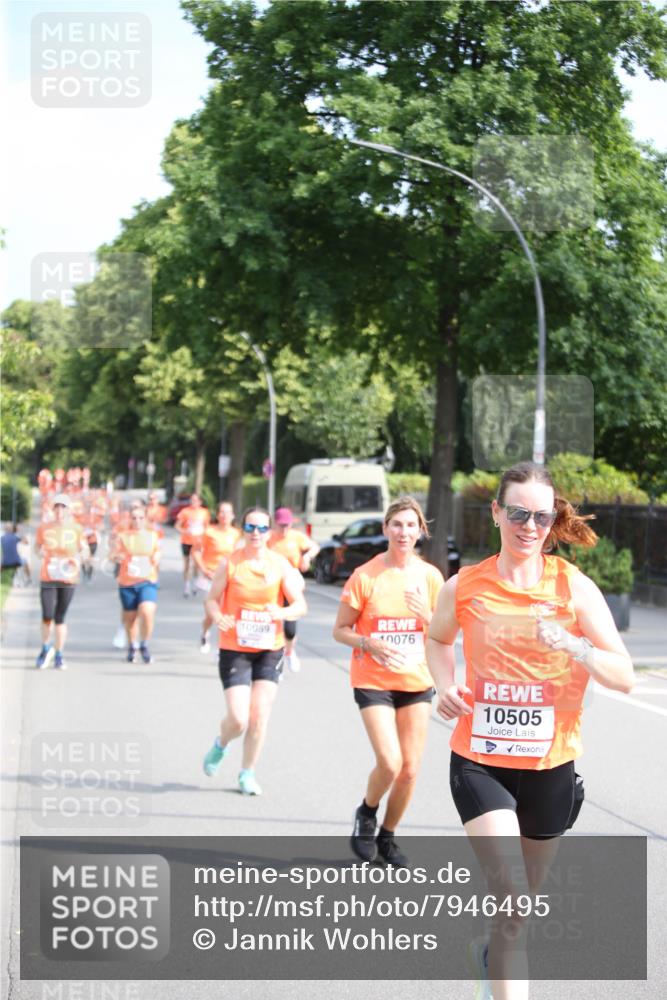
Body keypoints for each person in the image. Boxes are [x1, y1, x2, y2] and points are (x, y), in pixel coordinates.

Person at [426, 461, 635, 1000]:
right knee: (513, 897)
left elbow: (625, 676)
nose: (529, 525)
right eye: (518, 512)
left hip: (551, 766)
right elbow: (437, 640)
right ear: (496, 512)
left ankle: (488, 953)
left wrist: (575, 647)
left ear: (551, 521)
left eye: (541, 516)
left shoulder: (573, 587)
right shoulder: (465, 586)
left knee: (518, 918)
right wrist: (444, 686)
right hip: (480, 761)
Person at [332, 497, 445, 867]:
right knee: (390, 761)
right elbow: (340, 631)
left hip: (415, 680)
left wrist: (426, 614)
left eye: (411, 525)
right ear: (385, 529)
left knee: (410, 769)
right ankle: (367, 812)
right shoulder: (365, 576)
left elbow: (445, 634)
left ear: (420, 532)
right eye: (396, 524)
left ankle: (388, 836)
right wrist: (367, 641)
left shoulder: (430, 578)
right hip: (373, 678)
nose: (403, 532)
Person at [202, 507, 307, 796]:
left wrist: (281, 611)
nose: (256, 534)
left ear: (270, 531)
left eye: (262, 528)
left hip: (269, 649)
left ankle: (247, 772)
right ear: (243, 530)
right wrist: (218, 615)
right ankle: (221, 744)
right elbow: (211, 600)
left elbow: (300, 606)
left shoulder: (280, 564)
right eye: (250, 528)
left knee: (259, 716)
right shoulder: (230, 564)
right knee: (238, 719)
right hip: (235, 647)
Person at [34, 495, 89, 670]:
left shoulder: (76, 529)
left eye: (63, 508)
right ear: (52, 509)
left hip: (68, 576)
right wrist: (40, 553)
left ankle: (59, 653)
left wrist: (79, 558)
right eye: (56, 507)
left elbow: (85, 549)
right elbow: (37, 547)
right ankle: (45, 648)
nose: (59, 511)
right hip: (49, 576)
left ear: (68, 510)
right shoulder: (44, 528)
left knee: (60, 617)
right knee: (47, 615)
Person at [267, 506, 320, 672]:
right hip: (272, 586)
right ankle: (273, 661)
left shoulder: (296, 537)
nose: (284, 529)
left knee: (290, 630)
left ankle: (289, 652)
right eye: (281, 525)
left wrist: (307, 556)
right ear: (275, 523)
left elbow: (315, 547)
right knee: (271, 624)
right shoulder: (268, 538)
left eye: (287, 525)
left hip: (292, 585)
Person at [111, 503, 161, 664]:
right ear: (130, 519)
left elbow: (158, 550)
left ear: (145, 519)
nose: (137, 521)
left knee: (147, 611)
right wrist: (116, 557)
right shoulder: (123, 536)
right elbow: (113, 554)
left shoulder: (152, 535)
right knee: (130, 618)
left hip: (147, 580)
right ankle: (133, 645)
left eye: (141, 518)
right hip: (127, 582)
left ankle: (144, 643)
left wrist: (157, 557)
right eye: (134, 518)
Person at [192, 501, 241, 653]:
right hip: (211, 576)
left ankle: (224, 647)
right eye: (222, 512)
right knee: (211, 614)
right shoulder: (209, 532)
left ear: (233, 515)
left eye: (228, 512)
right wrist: (204, 569)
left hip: (229, 578)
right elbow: (195, 551)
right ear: (218, 515)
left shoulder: (237, 534)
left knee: (227, 613)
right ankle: (205, 632)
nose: (225, 515)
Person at [175, 493, 210, 597]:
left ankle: (195, 584)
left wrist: (206, 538)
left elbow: (207, 527)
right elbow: (177, 526)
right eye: (191, 500)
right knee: (187, 564)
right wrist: (184, 531)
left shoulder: (204, 512)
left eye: (195, 500)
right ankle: (186, 587)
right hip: (186, 541)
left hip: (199, 542)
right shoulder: (185, 511)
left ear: (200, 502)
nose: (193, 502)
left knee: (197, 564)